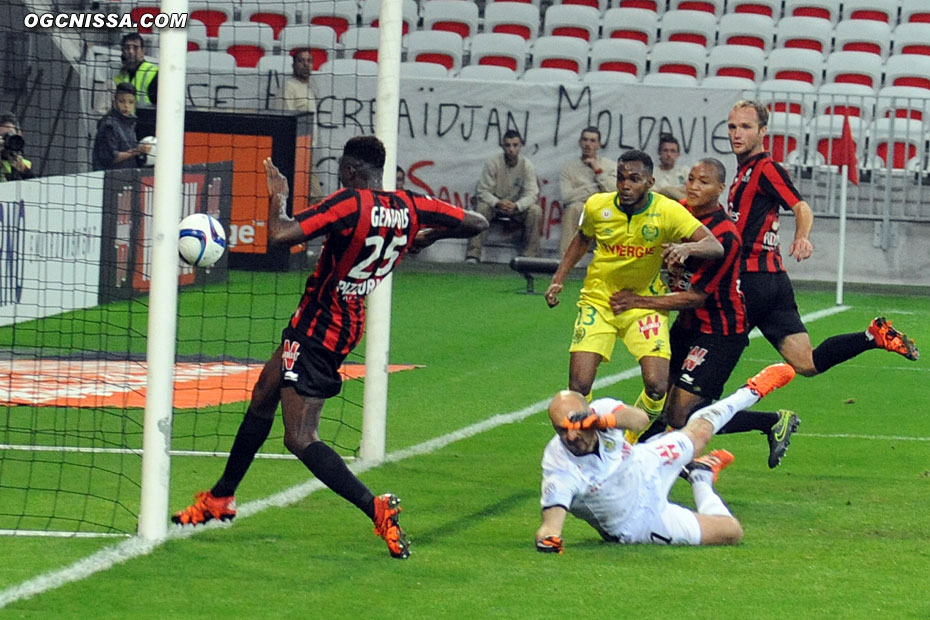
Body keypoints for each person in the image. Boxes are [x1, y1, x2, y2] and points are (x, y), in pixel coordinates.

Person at [171, 136, 489, 560]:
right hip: (342, 320)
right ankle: (221, 497)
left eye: (342, 172)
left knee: (300, 437)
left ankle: (374, 507)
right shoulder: (409, 205)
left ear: (353, 172)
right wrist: (426, 237)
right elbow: (477, 222)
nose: (339, 178)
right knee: (264, 393)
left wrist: (278, 199)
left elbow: (283, 236)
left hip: (320, 329)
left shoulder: (350, 203)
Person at [609, 158, 799, 467]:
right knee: (658, 398)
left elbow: (696, 297)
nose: (695, 186)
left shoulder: (725, 236)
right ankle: (632, 462)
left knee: (682, 414)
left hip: (720, 333)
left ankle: (770, 421)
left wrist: (637, 301)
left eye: (704, 182)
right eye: (692, 179)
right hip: (688, 327)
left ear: (720, 189)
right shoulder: (681, 212)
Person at [726, 99, 918, 376]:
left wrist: (802, 236)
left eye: (745, 126)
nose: (737, 133)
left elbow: (801, 207)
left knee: (712, 351)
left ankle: (686, 416)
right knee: (807, 362)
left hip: (751, 281)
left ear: (763, 131)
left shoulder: (765, 169)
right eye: (732, 127)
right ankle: (873, 336)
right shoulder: (744, 173)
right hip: (774, 281)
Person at [544, 150, 724, 430]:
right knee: (579, 385)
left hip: (643, 303)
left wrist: (685, 247)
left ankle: (628, 442)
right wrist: (559, 277)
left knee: (656, 386)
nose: (625, 185)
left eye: (634, 179)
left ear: (650, 182)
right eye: (621, 178)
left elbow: (714, 246)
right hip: (598, 300)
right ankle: (591, 438)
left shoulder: (667, 211)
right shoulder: (597, 206)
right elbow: (582, 238)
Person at [535, 362, 796, 552]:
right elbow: (552, 520)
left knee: (699, 433)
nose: (570, 437)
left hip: (643, 463)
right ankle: (701, 477)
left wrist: (603, 421)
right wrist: (549, 538)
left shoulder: (601, 411)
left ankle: (750, 392)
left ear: (588, 414)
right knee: (731, 532)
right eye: (561, 430)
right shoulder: (558, 463)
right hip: (638, 521)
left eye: (575, 427)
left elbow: (639, 420)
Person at [465, 129, 542, 263]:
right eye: (508, 145)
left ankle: (530, 257)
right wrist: (497, 203)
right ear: (502, 146)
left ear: (520, 146)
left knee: (535, 211)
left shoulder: (527, 165)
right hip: (495, 205)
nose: (511, 149)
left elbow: (532, 194)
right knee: (481, 208)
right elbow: (482, 191)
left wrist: (518, 205)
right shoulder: (493, 162)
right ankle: (473, 254)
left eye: (515, 145)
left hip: (517, 207)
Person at [558, 126, 617, 256]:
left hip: (604, 208)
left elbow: (614, 191)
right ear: (580, 142)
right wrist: (594, 189)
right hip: (581, 208)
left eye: (592, 141)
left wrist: (598, 171)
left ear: (599, 145)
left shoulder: (610, 165)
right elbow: (567, 197)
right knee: (573, 209)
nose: (588, 144)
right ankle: (565, 259)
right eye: (585, 140)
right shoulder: (569, 168)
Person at [280, 49, 323, 203]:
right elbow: (287, 117)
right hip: (297, 149)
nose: (306, 65)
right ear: (293, 65)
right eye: (301, 61)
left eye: (309, 61)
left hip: (308, 148)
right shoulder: (289, 87)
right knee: (314, 194)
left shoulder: (309, 88)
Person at [92, 82, 152, 171]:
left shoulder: (130, 123)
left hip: (127, 176)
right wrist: (138, 151)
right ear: (114, 102)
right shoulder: (109, 125)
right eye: (121, 101)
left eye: (131, 102)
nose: (126, 106)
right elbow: (110, 157)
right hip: (109, 178)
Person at [115, 33, 158, 106]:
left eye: (135, 47)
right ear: (123, 51)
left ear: (142, 51)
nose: (131, 51)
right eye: (127, 47)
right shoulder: (120, 75)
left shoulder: (153, 73)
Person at [652, 134, 689, 201]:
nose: (669, 154)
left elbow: (690, 189)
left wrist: (667, 191)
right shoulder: (652, 173)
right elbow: (651, 194)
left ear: (678, 154)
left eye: (673, 151)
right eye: (665, 150)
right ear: (659, 152)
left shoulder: (684, 171)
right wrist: (677, 190)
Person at [0, 113, 35, 182]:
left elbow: (34, 188)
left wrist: (24, 172)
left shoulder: (25, 165)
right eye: (3, 136)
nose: (7, 139)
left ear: (19, 134)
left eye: (11, 135)